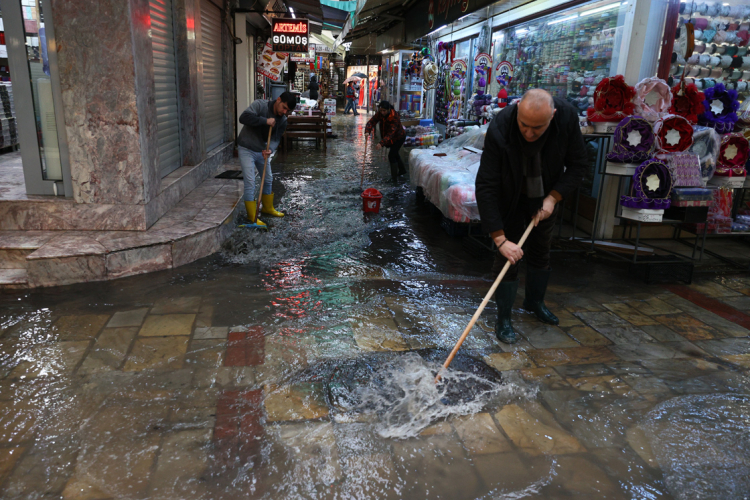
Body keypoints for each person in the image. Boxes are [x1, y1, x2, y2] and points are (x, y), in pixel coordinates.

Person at [475, 89, 588, 344]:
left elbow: (580, 164)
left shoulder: (567, 118)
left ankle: (534, 302)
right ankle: (503, 317)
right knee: (509, 257)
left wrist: (553, 197)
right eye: (524, 125)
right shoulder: (501, 126)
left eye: (537, 128)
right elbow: (486, 184)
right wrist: (500, 238)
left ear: (553, 116)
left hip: (545, 195)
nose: (529, 133)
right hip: (510, 196)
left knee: (540, 250)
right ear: (517, 110)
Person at [236, 92, 297, 227]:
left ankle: (267, 208)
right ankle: (252, 218)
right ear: (278, 100)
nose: (284, 112)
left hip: (262, 151)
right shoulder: (260, 105)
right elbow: (243, 117)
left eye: (288, 110)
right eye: (284, 107)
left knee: (268, 179)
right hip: (246, 148)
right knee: (251, 181)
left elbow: (276, 138)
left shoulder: (283, 120)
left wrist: (271, 150)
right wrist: (265, 120)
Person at [364, 100, 406, 183]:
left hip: (398, 137)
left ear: (389, 109)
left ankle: (394, 179)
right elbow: (372, 122)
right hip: (390, 138)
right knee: (395, 153)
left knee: (391, 155)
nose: (382, 112)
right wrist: (367, 131)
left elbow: (391, 133)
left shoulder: (395, 116)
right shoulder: (380, 114)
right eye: (381, 110)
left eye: (384, 111)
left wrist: (381, 143)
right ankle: (402, 171)